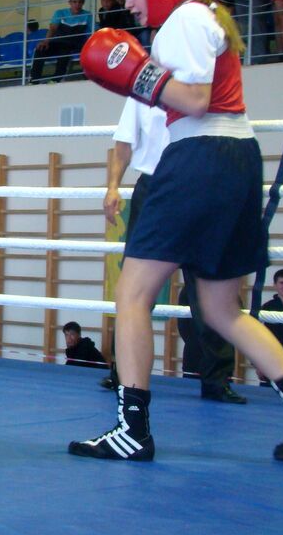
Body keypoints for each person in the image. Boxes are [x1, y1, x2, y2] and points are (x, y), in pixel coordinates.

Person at [73, 0, 283, 462]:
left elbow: (193, 101)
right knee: (221, 308)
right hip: (233, 158)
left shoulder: (185, 21)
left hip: (199, 157)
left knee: (132, 295)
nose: (126, 4)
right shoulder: (202, 17)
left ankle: (132, 430)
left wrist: (137, 72)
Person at [102, 97, 245, 404]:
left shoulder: (202, 86)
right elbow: (124, 142)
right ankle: (122, 375)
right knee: (135, 288)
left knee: (207, 286)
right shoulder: (141, 86)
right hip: (154, 186)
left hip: (200, 185)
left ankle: (216, 381)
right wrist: (113, 185)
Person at [30, 0, 92, 82]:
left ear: (83, 2)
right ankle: (34, 80)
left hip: (75, 44)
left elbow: (94, 31)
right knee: (40, 49)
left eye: (80, 2)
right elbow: (53, 28)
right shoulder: (60, 13)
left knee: (65, 50)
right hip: (59, 42)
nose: (77, 5)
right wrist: (46, 41)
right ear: (69, 2)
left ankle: (56, 79)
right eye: (74, 2)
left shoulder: (88, 15)